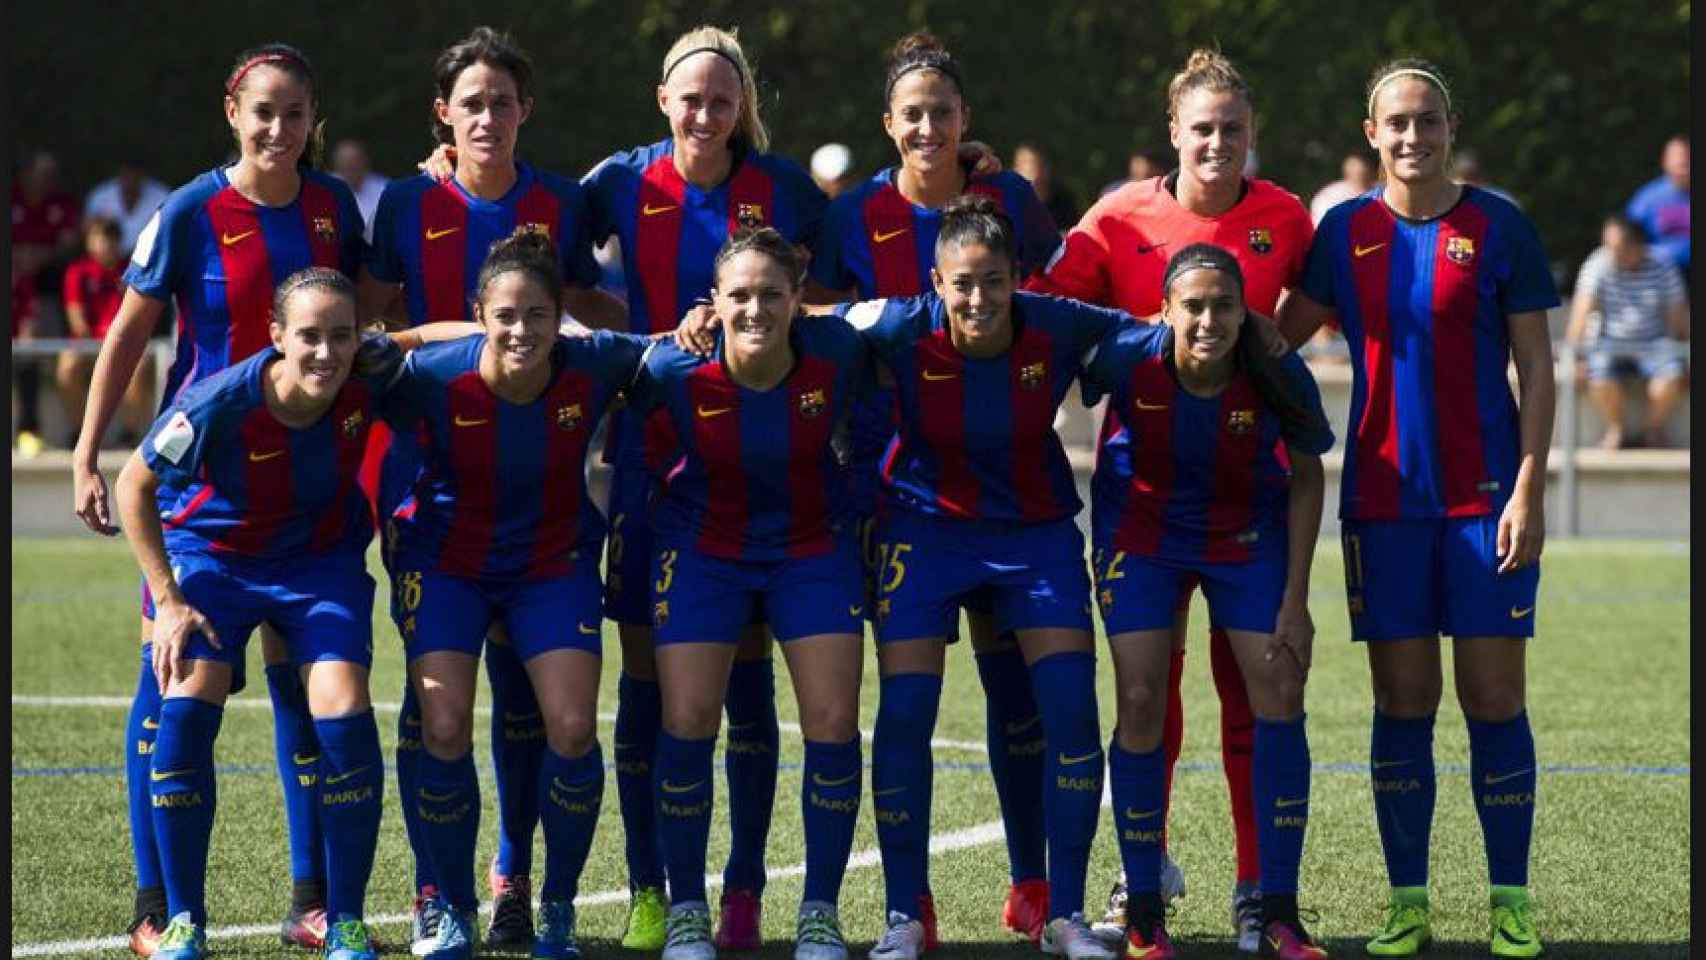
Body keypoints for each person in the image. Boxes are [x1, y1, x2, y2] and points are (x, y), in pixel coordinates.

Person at [69, 43, 368, 956]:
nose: (279, 130)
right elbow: (127, 333)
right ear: (232, 112)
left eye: (296, 114)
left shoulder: (333, 210)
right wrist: (87, 453)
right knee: (169, 688)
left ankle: (314, 899)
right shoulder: (192, 210)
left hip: (310, 494)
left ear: (315, 120)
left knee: (303, 690)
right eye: (263, 112)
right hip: (204, 492)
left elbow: (368, 320)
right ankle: (157, 908)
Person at [1027, 48, 1315, 953]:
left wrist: (1269, 358)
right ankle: (1141, 889)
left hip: (1249, 498)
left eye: (1233, 129)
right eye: (1203, 129)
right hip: (1142, 502)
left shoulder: (1287, 220)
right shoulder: (1116, 218)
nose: (1218, 144)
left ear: (1252, 135)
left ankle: (1260, 895)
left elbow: (1303, 320)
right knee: (1148, 697)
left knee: (1258, 694)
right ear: (1173, 136)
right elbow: (1041, 314)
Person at [1277, 58, 1557, 960]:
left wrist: (1528, 486)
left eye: (1427, 121)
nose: (1412, 137)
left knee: (1493, 697)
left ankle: (1510, 899)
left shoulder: (1500, 226)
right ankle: (1409, 902)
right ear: (1371, 135)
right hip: (1384, 506)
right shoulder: (1343, 232)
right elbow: (1275, 339)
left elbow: (1538, 369)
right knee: (1403, 700)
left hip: (1486, 509)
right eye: (1396, 123)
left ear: (1449, 126)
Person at [112, 268, 463, 960]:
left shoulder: (367, 371)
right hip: (217, 556)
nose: (326, 353)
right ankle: (183, 921)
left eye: (340, 336)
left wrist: (548, 327)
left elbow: (460, 344)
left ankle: (347, 921)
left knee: (343, 703)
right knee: (188, 693)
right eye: (309, 337)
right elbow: (135, 484)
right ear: (277, 337)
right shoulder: (222, 400)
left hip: (318, 563)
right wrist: (171, 600)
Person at [362, 28, 624, 950]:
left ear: (525, 111)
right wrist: (458, 340)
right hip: (431, 484)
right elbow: (365, 323)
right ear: (444, 113)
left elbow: (598, 310)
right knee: (436, 701)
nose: (486, 117)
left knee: (540, 700)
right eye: (470, 102)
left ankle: (517, 877)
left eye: (501, 102)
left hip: (542, 482)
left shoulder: (564, 200)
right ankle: (441, 890)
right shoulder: (403, 199)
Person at [576, 26, 828, 950]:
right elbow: (543, 269)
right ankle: (652, 888)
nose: (706, 115)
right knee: (648, 682)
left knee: (748, 682)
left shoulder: (787, 190)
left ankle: (746, 890)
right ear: (663, 100)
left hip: (759, 464)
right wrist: (643, 333)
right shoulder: (618, 183)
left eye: (723, 100)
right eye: (691, 99)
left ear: (741, 107)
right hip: (647, 460)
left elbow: (832, 296)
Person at [809, 31, 1062, 948]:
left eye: (941, 113)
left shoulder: (1009, 200)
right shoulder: (851, 218)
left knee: (1016, 690)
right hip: (894, 487)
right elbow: (820, 326)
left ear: (965, 122)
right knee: (906, 701)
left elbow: (1055, 302)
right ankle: (908, 907)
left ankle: (1034, 885)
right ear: (888, 123)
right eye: (911, 114)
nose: (927, 127)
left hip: (1005, 486)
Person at [838, 195, 1123, 960]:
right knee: (904, 715)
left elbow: (1159, 341)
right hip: (925, 530)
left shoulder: (1058, 324)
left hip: (1034, 537)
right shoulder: (896, 324)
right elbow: (809, 337)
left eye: (993, 282)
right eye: (961, 283)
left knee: (1070, 716)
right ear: (936, 281)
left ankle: (1064, 913)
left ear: (1016, 280)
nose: (977, 299)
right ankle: (906, 913)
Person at [385, 229, 652, 960]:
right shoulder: (431, 375)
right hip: (448, 564)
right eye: (504, 316)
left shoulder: (593, 363)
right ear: (480, 316)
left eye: (537, 315)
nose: (520, 330)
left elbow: (672, 357)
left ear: (559, 315)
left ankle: (555, 905)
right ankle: (450, 907)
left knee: (571, 728)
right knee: (442, 726)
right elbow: (338, 381)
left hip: (550, 563)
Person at [1080, 244, 1333, 959]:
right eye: (1192, 305)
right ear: (1164, 310)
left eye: (1224, 305)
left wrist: (1296, 600)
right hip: (1143, 535)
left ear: (1245, 312)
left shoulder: (1275, 367)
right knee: (1138, 699)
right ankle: (1144, 911)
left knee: (1280, 688)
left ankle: (1278, 909)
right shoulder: (1128, 352)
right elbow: (1064, 372)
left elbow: (1309, 475)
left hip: (1246, 536)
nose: (1208, 319)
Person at [629, 228, 868, 960]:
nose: (756, 309)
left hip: (809, 548)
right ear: (714, 302)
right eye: (739, 295)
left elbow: (910, 321)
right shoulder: (673, 368)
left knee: (831, 719)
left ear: (798, 299)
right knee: (689, 718)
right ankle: (689, 912)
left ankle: (819, 912)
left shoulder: (839, 352)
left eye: (771, 294)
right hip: (704, 550)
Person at [1565, 213, 1689, 448]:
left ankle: (1653, 429)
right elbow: (1581, 313)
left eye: (1618, 247)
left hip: (1654, 342)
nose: (1612, 253)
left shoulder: (1663, 265)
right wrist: (1576, 357)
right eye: (1608, 246)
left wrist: (1686, 356)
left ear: (1638, 244)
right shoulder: (1597, 264)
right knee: (1598, 373)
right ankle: (1616, 428)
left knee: (1672, 373)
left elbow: (1677, 314)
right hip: (1609, 342)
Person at [60, 216, 154, 449]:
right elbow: (76, 319)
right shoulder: (77, 271)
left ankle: (129, 434)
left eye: (111, 239)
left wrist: (117, 341)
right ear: (89, 242)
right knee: (67, 366)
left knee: (140, 365)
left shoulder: (132, 270)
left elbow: (140, 315)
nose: (105, 245)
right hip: (88, 342)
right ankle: (78, 433)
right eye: (99, 238)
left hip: (124, 342)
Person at [13, 149, 82, 456]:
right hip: (15, 284)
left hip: (48, 290)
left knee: (39, 350)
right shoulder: (12, 199)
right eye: (41, 175)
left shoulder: (62, 204)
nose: (46, 182)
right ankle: (28, 427)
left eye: (51, 176)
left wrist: (40, 257)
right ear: (25, 175)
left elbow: (68, 243)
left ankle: (38, 429)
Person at [1626, 135, 1690, 281]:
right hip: (1658, 276)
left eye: (1687, 157)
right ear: (1665, 161)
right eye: (1677, 157)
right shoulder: (1648, 198)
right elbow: (1629, 235)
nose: (1683, 162)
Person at [84, 162, 172, 256]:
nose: (131, 180)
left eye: (136, 174)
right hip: (106, 261)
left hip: (150, 260)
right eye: (127, 175)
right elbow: (88, 229)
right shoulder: (100, 196)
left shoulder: (162, 196)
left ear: (143, 175)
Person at [1012, 141, 1081, 233]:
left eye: (1039, 166)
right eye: (1029, 168)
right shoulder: (1007, 203)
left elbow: (1074, 233)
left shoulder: (1064, 200)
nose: (1035, 175)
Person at [331, 139, 389, 240]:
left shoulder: (384, 188)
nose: (351, 168)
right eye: (346, 164)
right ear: (337, 165)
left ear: (365, 162)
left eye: (354, 163)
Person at [1308, 152, 1377, 225]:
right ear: (1347, 173)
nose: (1362, 176)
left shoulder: (1382, 191)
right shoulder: (1329, 196)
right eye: (1358, 174)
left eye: (1365, 173)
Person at [1100, 150, 1167, 198]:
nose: (1137, 168)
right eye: (1136, 163)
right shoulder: (1114, 190)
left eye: (1141, 163)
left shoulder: (1163, 190)